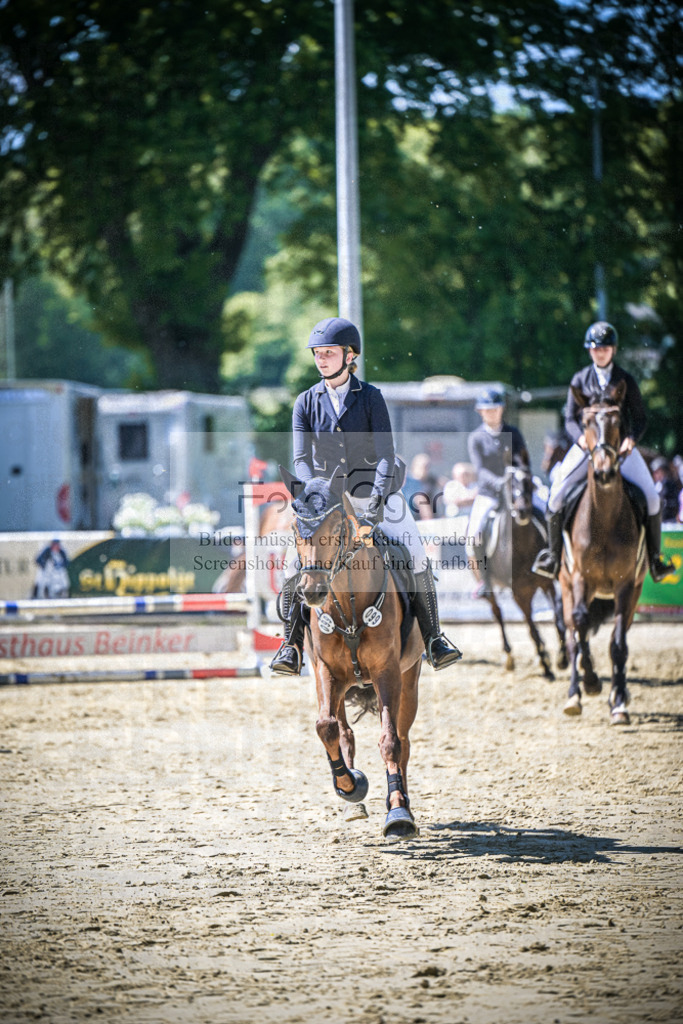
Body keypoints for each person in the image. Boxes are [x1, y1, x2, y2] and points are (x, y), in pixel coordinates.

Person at [269, 316, 462, 675]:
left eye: (329, 353)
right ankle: (290, 646)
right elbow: (300, 458)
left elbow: (387, 455)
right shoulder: (305, 401)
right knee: (293, 564)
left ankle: (435, 639)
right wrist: (315, 494)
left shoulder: (371, 398)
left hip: (373, 493)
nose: (321, 359)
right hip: (324, 499)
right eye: (318, 353)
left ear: (349, 355)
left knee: (413, 551)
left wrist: (373, 508)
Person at [532, 321, 674, 582]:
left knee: (653, 498)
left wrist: (630, 439)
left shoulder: (625, 380)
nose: (601, 352)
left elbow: (640, 418)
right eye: (596, 348)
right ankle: (552, 557)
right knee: (555, 495)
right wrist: (581, 440)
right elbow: (570, 420)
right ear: (590, 351)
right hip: (586, 450)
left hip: (620, 451)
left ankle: (655, 559)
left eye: (605, 348)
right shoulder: (580, 379)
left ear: (613, 350)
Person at [466, 387, 531, 599]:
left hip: (516, 490)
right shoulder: (476, 438)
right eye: (487, 410)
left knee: (543, 510)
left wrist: (519, 477)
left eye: (495, 409)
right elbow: (480, 471)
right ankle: (485, 580)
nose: (492, 413)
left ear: (501, 409)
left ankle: (548, 562)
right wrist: (500, 483)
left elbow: (522, 459)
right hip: (489, 494)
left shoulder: (514, 433)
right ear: (480, 412)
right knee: (474, 535)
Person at [402, 452, 440, 520]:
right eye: (423, 466)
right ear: (414, 466)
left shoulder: (432, 480)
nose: (425, 469)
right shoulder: (409, 481)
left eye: (427, 467)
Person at [651, 456, 680, 524]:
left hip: (669, 521)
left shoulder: (670, 485)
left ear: (663, 471)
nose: (654, 475)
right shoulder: (657, 485)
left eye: (657, 472)